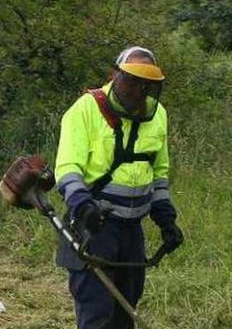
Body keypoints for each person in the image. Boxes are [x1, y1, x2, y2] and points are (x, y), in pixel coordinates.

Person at [55, 46, 184, 328]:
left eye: (146, 85)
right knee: (97, 312)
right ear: (116, 76)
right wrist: (82, 204)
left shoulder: (157, 114)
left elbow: (158, 172)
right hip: (95, 225)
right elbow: (67, 168)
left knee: (125, 311)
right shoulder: (86, 110)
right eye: (133, 82)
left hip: (132, 231)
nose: (139, 90)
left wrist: (165, 218)